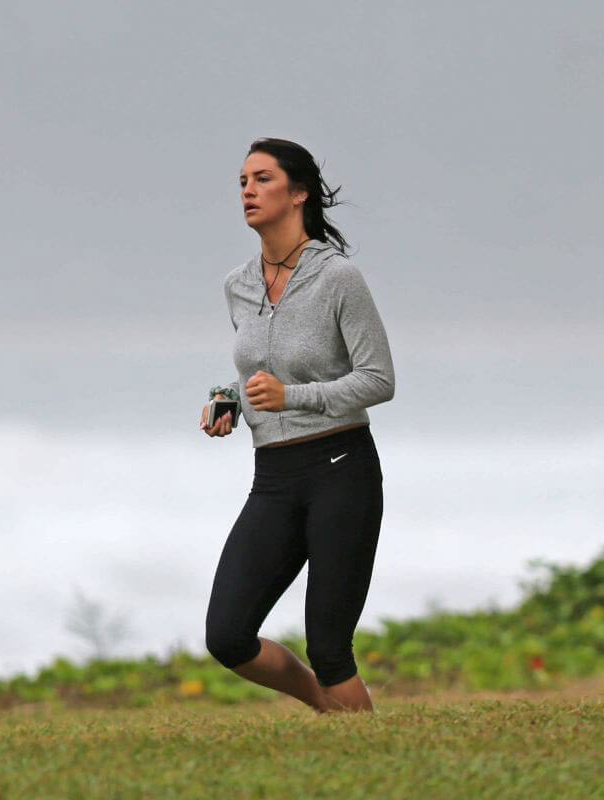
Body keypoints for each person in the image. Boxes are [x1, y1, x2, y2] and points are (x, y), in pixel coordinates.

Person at [200, 137, 395, 714]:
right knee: (228, 636)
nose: (247, 192)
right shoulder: (237, 285)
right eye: (242, 182)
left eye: (262, 179)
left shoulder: (338, 278)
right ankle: (330, 712)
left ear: (299, 193)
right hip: (275, 477)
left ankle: (368, 753)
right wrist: (229, 399)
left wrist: (292, 397)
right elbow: (262, 372)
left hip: (342, 470)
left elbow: (378, 380)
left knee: (331, 647)